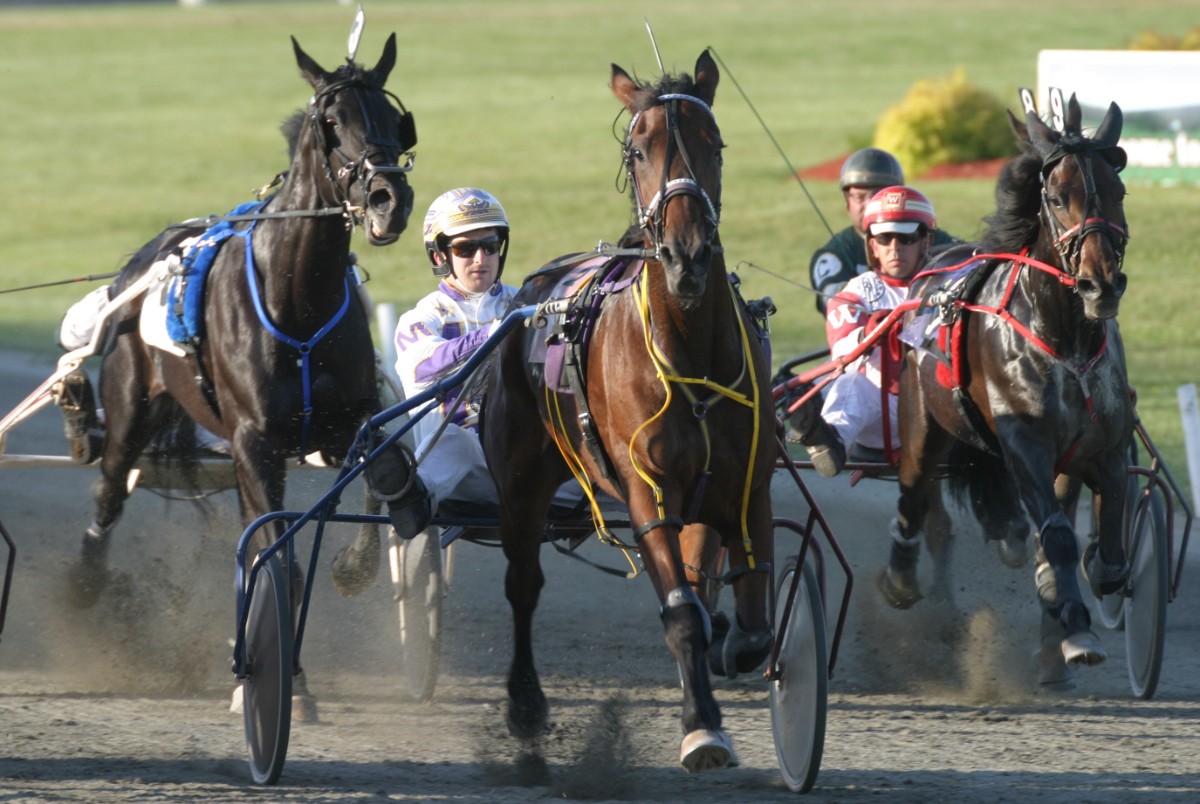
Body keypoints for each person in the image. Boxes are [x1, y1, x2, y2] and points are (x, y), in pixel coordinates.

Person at [375, 187, 518, 540]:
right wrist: (490, 337)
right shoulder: (422, 317)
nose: (481, 258)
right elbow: (423, 365)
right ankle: (409, 494)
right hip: (461, 468)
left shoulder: (525, 301)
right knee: (456, 442)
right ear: (440, 255)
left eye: (490, 245)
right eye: (465, 249)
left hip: (525, 456)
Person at [795, 185, 939, 478]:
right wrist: (869, 333)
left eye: (907, 237)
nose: (895, 247)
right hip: (878, 410)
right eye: (885, 237)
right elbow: (842, 351)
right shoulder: (859, 290)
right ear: (872, 244)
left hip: (936, 410)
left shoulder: (946, 286)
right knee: (848, 383)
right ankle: (831, 442)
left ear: (926, 241)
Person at [809, 148, 957, 316]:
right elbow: (833, 302)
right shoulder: (832, 256)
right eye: (860, 197)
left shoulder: (934, 239)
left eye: (880, 195)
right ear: (847, 201)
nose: (871, 203)